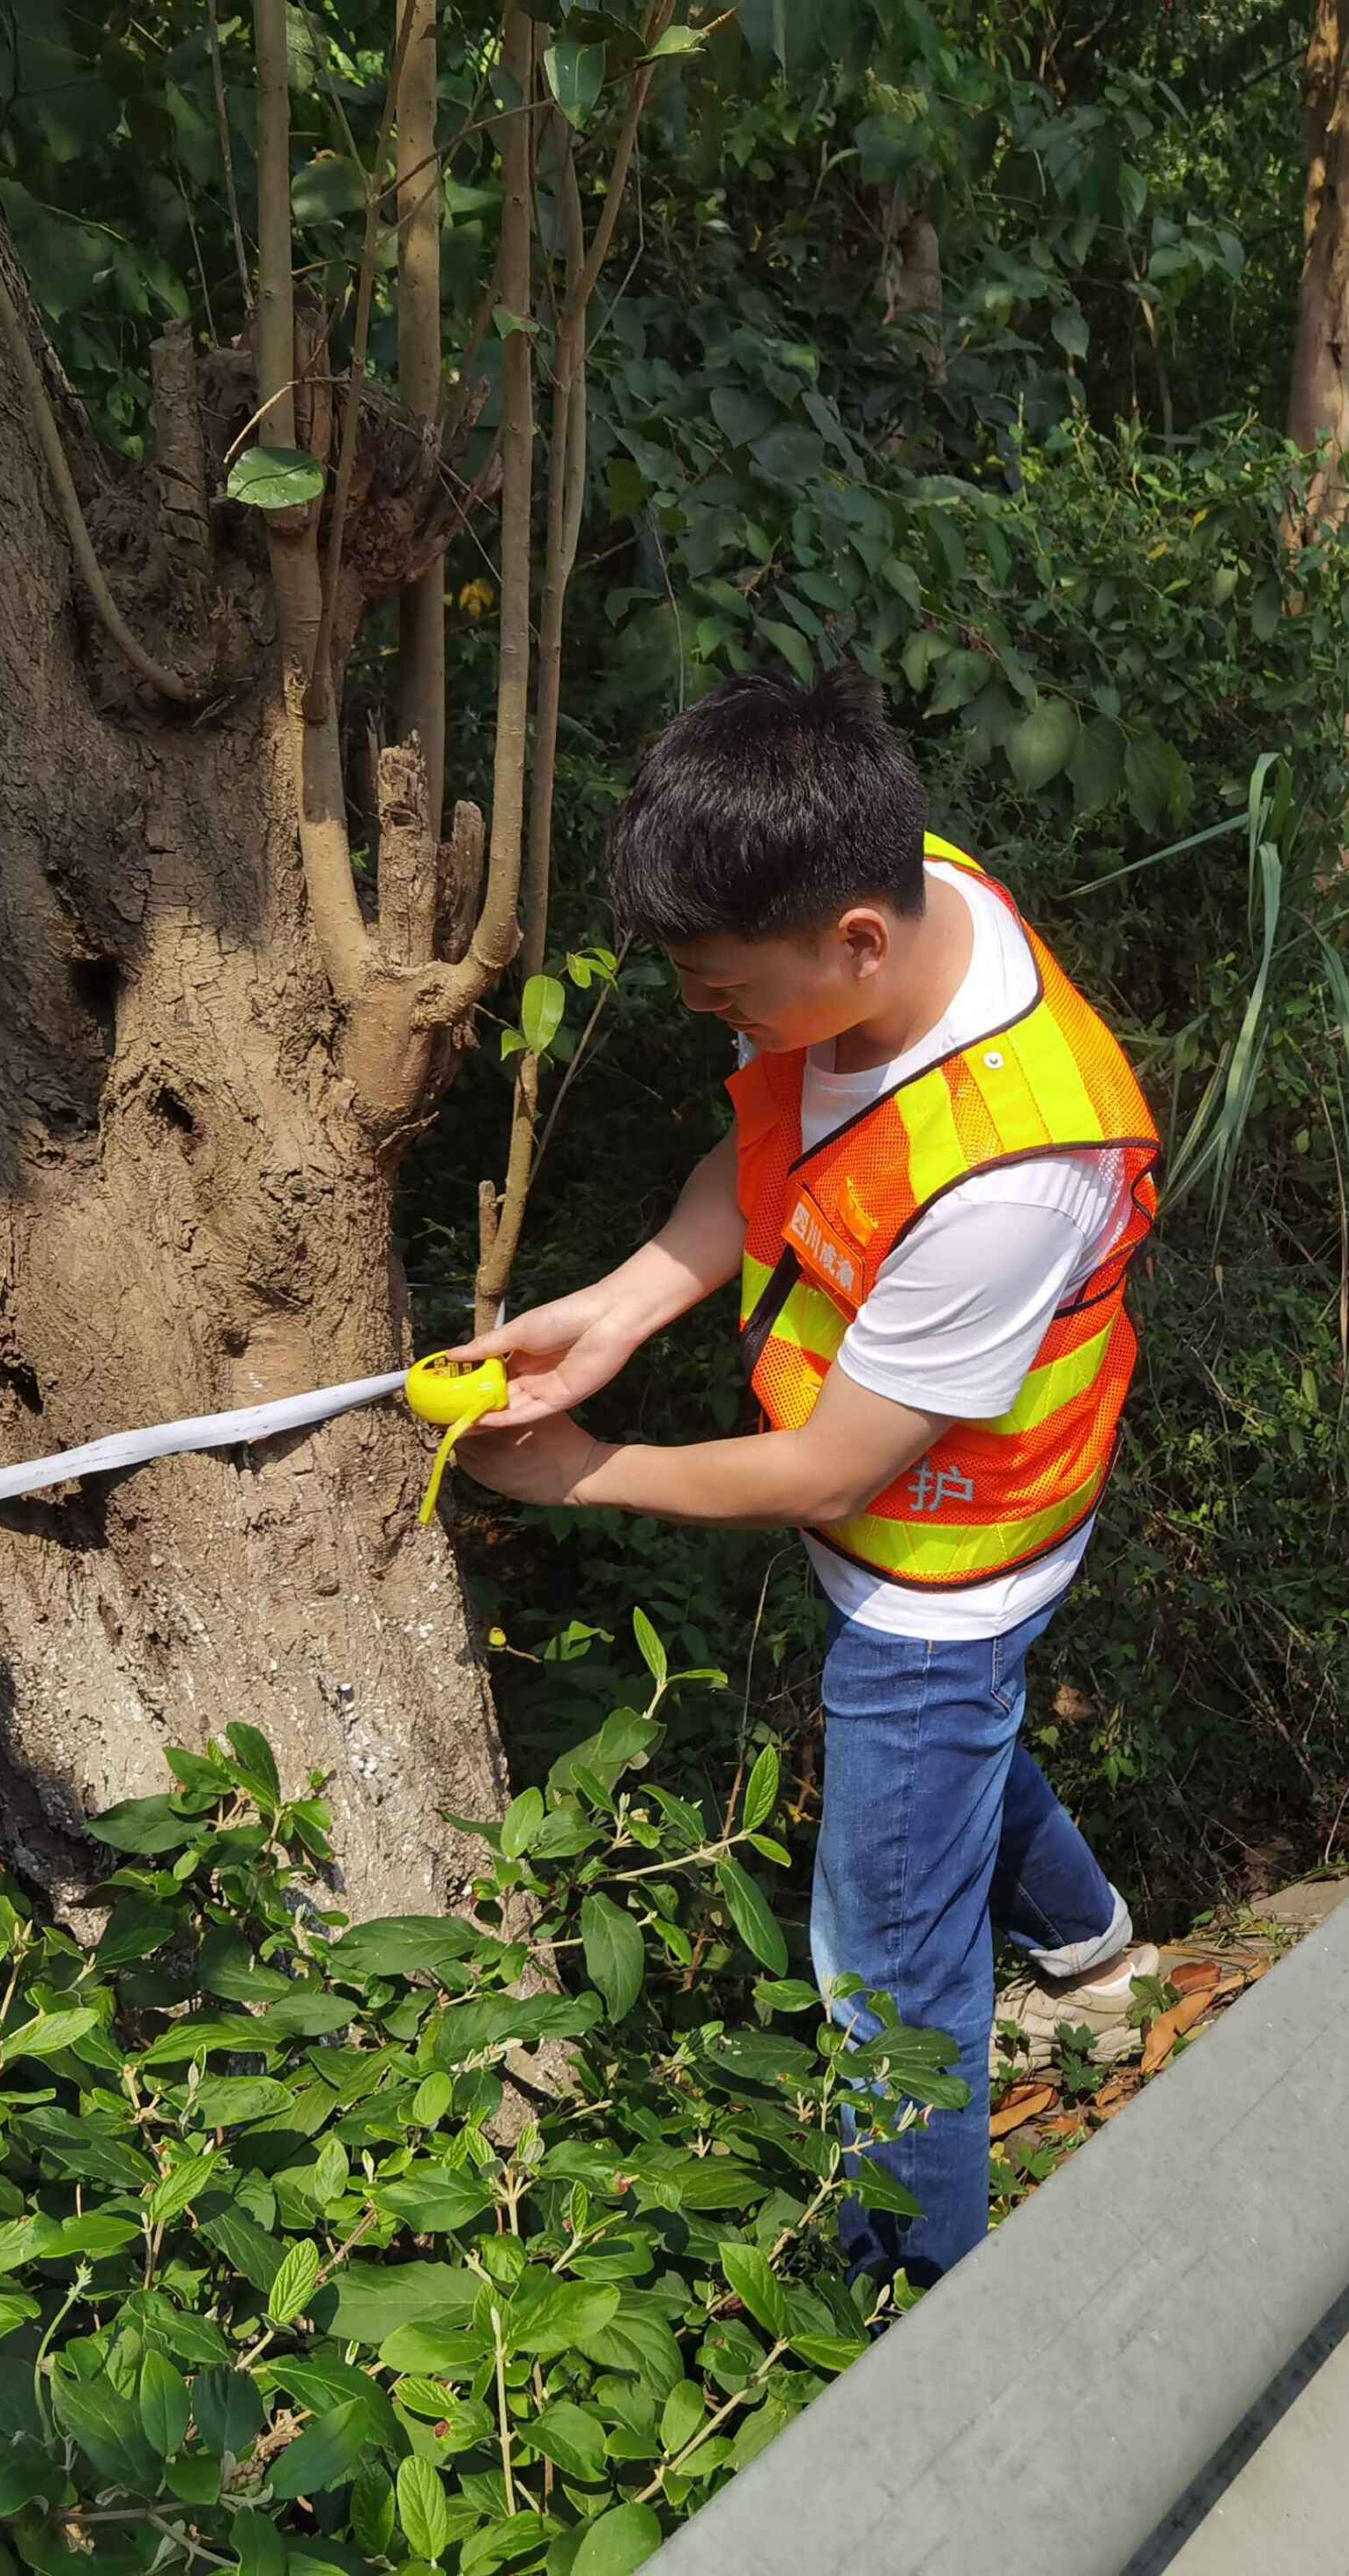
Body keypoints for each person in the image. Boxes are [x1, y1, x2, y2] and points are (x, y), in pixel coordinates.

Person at [445, 668, 1167, 2288]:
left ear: (852, 939)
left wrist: (580, 1471)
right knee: (958, 1771)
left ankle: (897, 2318)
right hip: (912, 1525)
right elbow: (773, 1137)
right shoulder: (905, 904)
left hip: (943, 1569)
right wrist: (620, 1310)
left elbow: (834, 1464)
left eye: (727, 997)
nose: (723, 1027)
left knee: (883, 1967)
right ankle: (1090, 1946)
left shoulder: (1011, 1171)